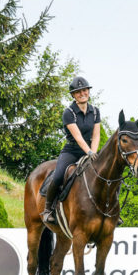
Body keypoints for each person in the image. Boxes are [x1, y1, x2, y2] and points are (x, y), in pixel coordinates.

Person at [42, 76, 101, 224]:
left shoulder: (95, 111)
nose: (82, 93)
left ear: (88, 91)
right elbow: (78, 137)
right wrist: (89, 153)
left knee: (105, 174)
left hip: (90, 150)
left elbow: (96, 135)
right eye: (78, 91)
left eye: (84, 90)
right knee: (58, 176)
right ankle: (48, 209)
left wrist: (93, 153)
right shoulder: (68, 112)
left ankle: (110, 211)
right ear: (73, 95)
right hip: (72, 150)